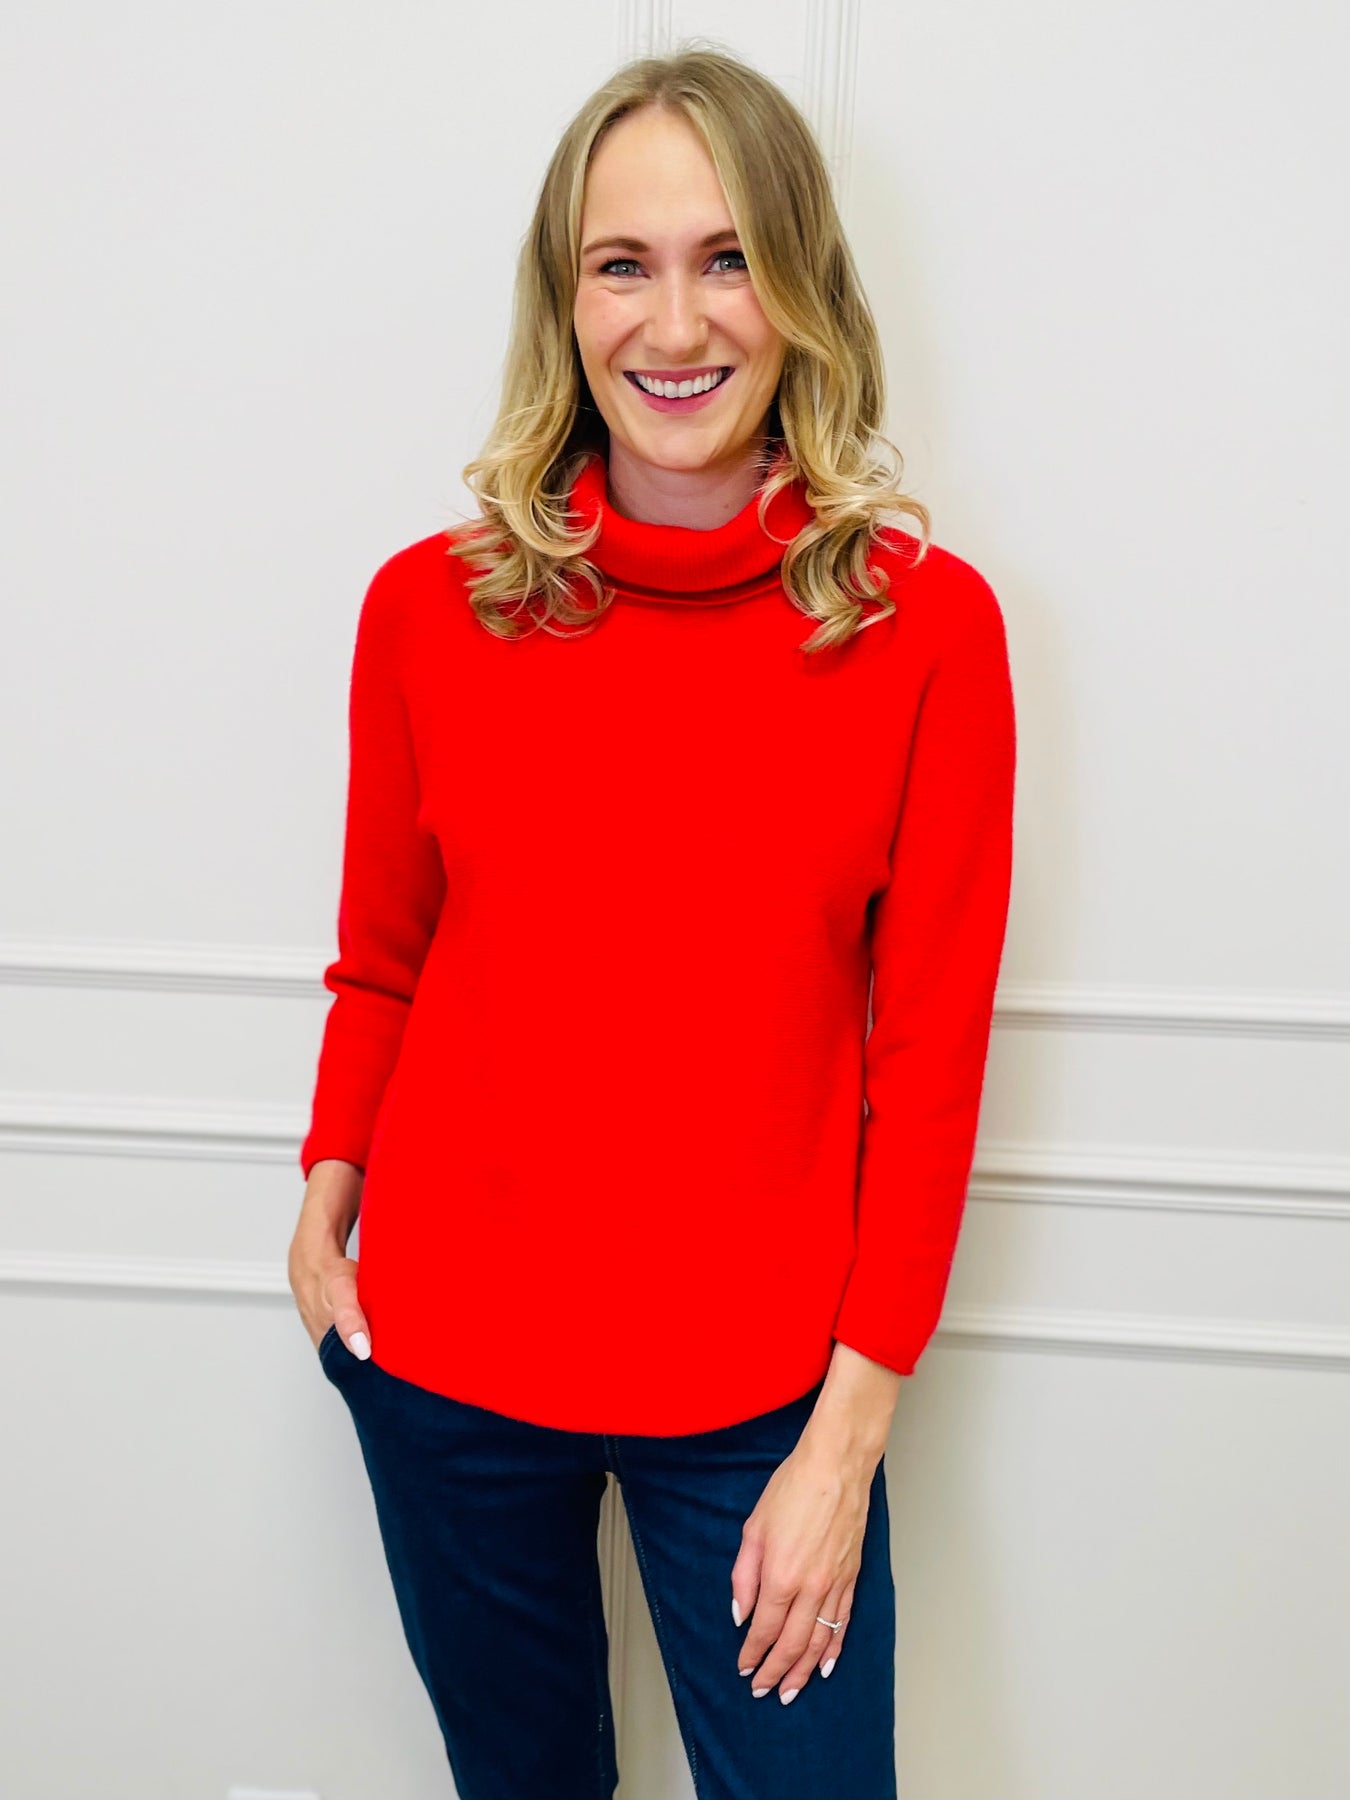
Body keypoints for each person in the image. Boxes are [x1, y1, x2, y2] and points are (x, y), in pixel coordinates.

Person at [288, 45, 1016, 1800]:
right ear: (565, 300)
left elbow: (925, 1065)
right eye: (622, 264)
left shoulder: (927, 633)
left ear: (801, 288)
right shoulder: (427, 613)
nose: (674, 322)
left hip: (763, 1404)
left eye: (728, 257)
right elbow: (384, 958)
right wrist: (325, 1200)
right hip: (445, 1372)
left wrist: (846, 1439)